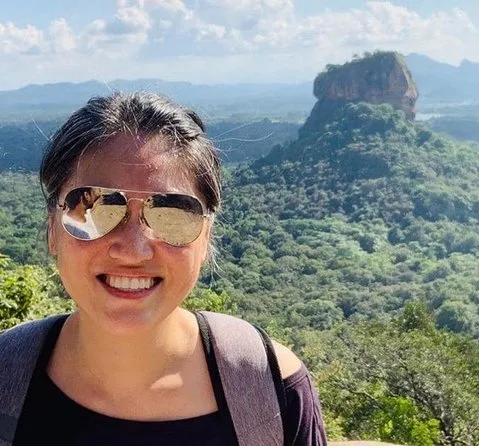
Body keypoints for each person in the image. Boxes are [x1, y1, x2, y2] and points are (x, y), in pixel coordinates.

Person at [2, 92, 327, 445]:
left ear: (206, 237)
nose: (133, 250)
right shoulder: (7, 379)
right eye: (95, 207)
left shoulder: (272, 390)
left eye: (172, 212)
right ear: (52, 228)